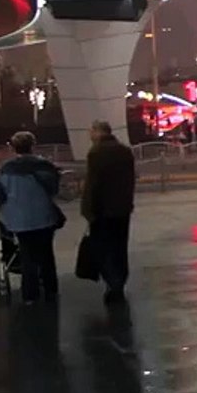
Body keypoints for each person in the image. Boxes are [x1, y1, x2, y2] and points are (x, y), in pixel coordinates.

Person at [0, 131, 64, 304]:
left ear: (14, 147)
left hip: (18, 220)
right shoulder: (45, 166)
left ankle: (30, 295)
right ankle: (50, 288)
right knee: (47, 253)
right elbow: (54, 189)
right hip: (45, 217)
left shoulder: (6, 169)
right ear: (33, 146)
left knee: (27, 255)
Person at [81, 121, 136, 304]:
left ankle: (112, 283)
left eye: (91, 131)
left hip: (102, 209)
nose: (89, 135)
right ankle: (120, 280)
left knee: (104, 247)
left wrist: (88, 210)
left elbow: (93, 184)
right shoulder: (124, 151)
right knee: (120, 246)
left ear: (98, 132)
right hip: (122, 208)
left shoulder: (96, 153)